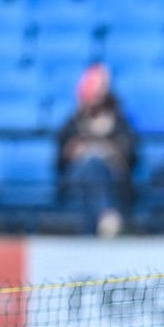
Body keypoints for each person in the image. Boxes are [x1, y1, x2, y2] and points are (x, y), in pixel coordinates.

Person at [55, 63, 137, 238]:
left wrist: (105, 150)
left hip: (112, 180)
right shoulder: (73, 122)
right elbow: (60, 160)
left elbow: (130, 155)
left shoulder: (119, 122)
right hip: (77, 182)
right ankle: (106, 217)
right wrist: (79, 150)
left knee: (96, 165)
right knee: (90, 165)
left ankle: (103, 218)